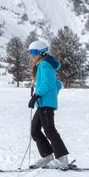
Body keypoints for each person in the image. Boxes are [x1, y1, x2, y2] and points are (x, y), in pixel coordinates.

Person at [27, 39, 74, 169]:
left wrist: (38, 95)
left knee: (49, 130)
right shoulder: (44, 63)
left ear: (42, 52)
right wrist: (49, 95)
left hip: (45, 103)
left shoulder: (44, 65)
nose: (32, 55)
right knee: (35, 130)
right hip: (43, 103)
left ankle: (62, 159)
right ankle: (47, 156)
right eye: (31, 52)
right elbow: (57, 84)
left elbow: (47, 83)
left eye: (35, 52)